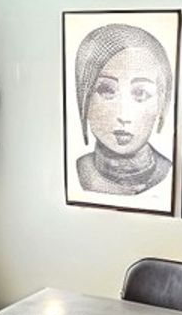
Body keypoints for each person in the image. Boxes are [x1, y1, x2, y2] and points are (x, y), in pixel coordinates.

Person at [73, 23, 173, 195]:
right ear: (85, 99)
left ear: (161, 104)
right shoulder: (78, 172)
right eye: (106, 90)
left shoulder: (169, 174)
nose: (123, 115)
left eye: (141, 93)